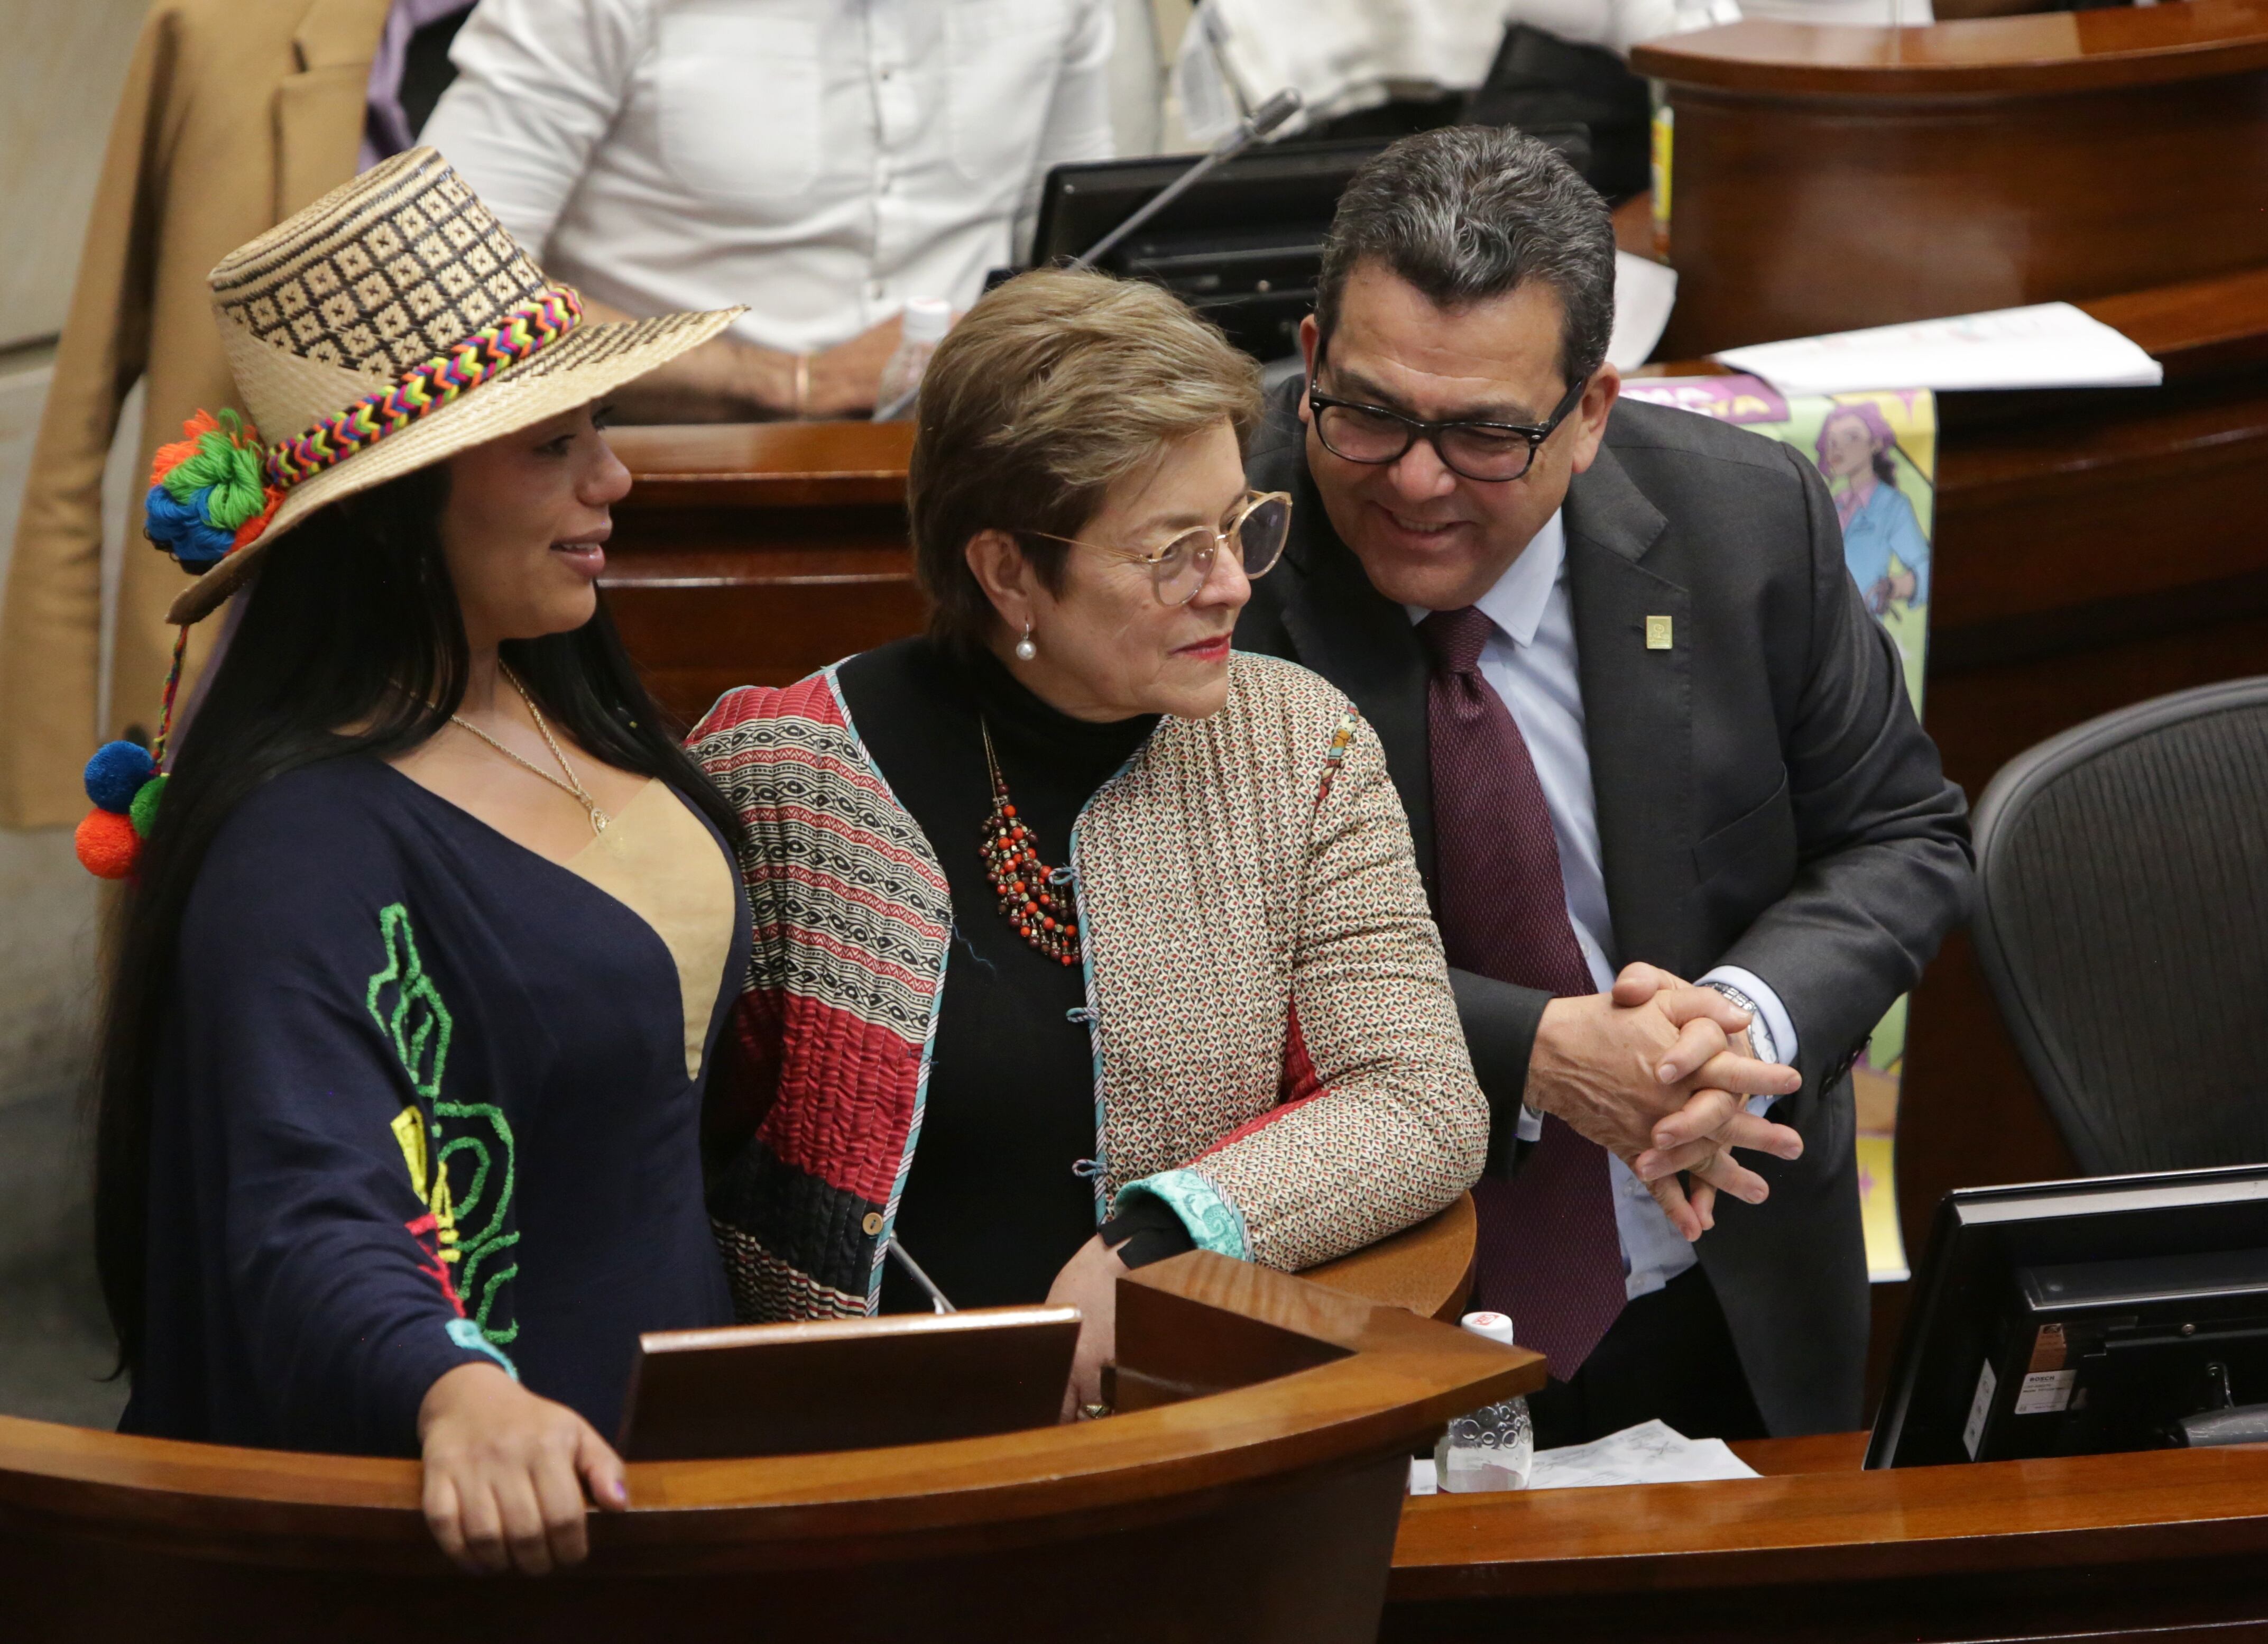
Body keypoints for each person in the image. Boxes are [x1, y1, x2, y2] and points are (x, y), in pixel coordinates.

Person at [1235, 127, 1975, 1442]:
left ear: (1587, 413)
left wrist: (1734, 1026)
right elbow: (1190, 944)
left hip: (1723, 1296)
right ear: (1305, 364)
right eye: (1369, 413)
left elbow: (1898, 837)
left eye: (1479, 434)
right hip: (1363, 1333)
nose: (1413, 479)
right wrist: (1537, 1053)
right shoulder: (1212, 562)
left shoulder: (1743, 523)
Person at [689, 268, 1510, 1415]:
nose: (1230, 584)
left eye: (1238, 525)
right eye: (1175, 548)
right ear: (1009, 573)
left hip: (1189, 1436)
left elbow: (1421, 1101)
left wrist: (1165, 1237)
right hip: (858, 1461)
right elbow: (669, 1160)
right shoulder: (783, 777)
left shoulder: (1297, 750)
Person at [93, 149, 749, 1576]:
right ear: (397, 511)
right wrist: (451, 1389)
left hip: (687, 1496)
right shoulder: (294, 848)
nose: (615, 477)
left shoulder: (555, 684)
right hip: (503, 1531)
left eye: (601, 427)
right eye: (550, 445)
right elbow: (301, 1199)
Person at [420, 0, 1115, 423]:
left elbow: (1084, 256)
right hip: (651, 470)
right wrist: (784, 383)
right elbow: (434, 281)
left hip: (974, 465)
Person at [1817, 401, 1931, 617]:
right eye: (1832, 441)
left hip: (1863, 631)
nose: (1837, 448)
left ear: (1875, 443)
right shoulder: (1831, 503)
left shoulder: (1892, 506)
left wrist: (1895, 587)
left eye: (1851, 437)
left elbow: (1926, 570)